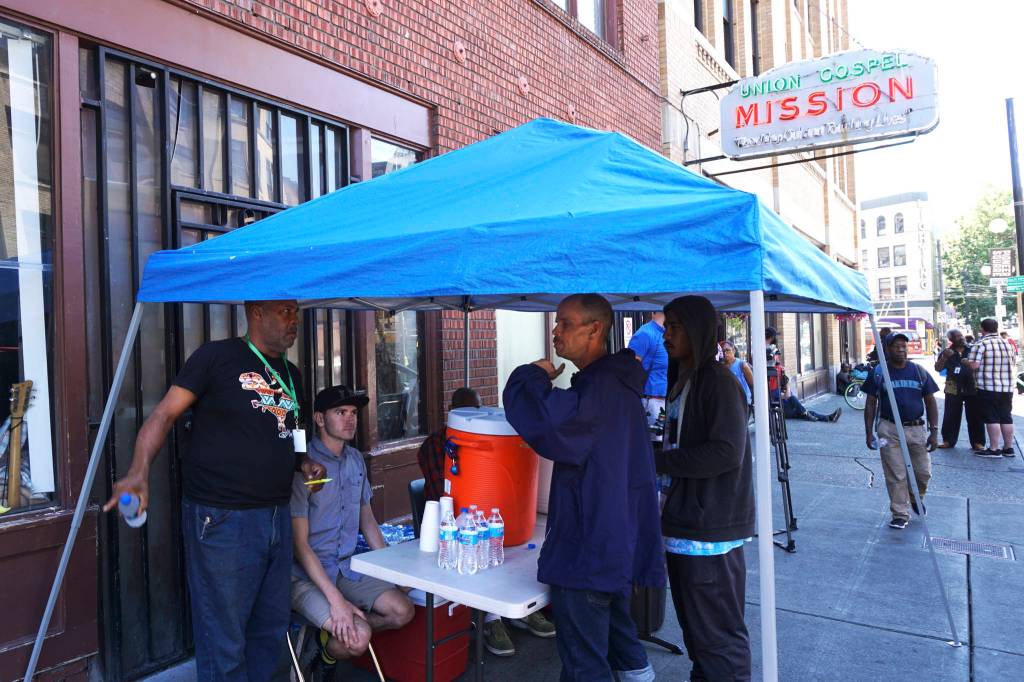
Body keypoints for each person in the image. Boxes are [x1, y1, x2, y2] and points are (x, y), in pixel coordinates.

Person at [103, 300, 326, 681]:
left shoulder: (292, 373)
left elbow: (292, 435)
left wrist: (303, 463)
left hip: (276, 515)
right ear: (256, 312)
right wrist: (139, 469)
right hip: (223, 520)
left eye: (297, 312)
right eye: (285, 311)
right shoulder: (217, 357)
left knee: (269, 630)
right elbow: (163, 414)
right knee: (224, 639)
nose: (295, 321)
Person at [503, 293, 664, 682]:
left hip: (588, 550)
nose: (556, 333)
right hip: (614, 542)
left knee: (585, 666)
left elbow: (547, 420)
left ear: (595, 329)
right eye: (556, 323)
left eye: (564, 324)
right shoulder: (615, 383)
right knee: (623, 647)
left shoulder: (600, 389)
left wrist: (532, 374)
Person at [415, 387, 556, 656]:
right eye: (472, 410)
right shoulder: (437, 444)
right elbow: (446, 493)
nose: (477, 415)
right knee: (481, 557)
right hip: (453, 524)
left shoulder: (494, 440)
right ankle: (490, 622)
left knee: (513, 555)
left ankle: (519, 612)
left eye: (480, 409)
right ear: (454, 413)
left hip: (492, 518)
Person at [657, 296, 754, 681]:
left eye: (676, 327)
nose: (667, 335)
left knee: (719, 639)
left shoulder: (719, 382)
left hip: (709, 531)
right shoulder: (684, 378)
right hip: (682, 525)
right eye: (666, 326)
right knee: (699, 637)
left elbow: (727, 452)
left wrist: (661, 461)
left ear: (698, 330)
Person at [291, 385, 414, 680]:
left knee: (402, 609)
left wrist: (393, 569)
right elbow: (299, 546)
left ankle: (326, 649)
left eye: (353, 413)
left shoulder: (356, 459)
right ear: (320, 419)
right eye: (340, 412)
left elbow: (367, 520)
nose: (350, 420)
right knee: (359, 637)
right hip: (303, 575)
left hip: (345, 568)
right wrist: (337, 602)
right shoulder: (304, 466)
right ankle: (341, 637)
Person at [862, 333, 940, 530]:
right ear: (887, 350)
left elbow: (930, 401)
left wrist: (934, 431)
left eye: (904, 346)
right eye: (896, 346)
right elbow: (870, 403)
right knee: (896, 473)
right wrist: (869, 432)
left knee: (923, 473)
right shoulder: (879, 372)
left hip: (916, 429)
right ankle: (899, 513)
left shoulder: (919, 371)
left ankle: (915, 497)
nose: (901, 350)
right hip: (888, 430)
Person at [417, 387, 481, 502]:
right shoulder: (435, 444)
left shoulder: (479, 442)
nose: (472, 416)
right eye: (465, 410)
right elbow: (443, 494)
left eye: (477, 410)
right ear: (451, 410)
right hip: (445, 514)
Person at [969, 319, 1017, 458]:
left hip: (988, 387)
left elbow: (974, 365)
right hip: (1007, 387)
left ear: (982, 329)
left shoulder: (981, 344)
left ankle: (994, 449)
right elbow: (1013, 363)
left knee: (992, 418)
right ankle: (1008, 448)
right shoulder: (1008, 344)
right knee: (1006, 417)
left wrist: (966, 361)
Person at [934, 330, 984, 450]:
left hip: (972, 386)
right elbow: (937, 368)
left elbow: (981, 365)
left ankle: (978, 442)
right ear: (951, 339)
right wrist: (944, 358)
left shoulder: (972, 349)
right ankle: (948, 440)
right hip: (953, 387)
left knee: (975, 415)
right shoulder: (946, 352)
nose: (960, 338)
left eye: (961, 335)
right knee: (951, 414)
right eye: (956, 336)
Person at [628, 312, 669, 427]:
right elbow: (631, 368)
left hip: (667, 400)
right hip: (652, 401)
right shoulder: (645, 334)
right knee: (655, 443)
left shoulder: (667, 333)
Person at [720, 340, 753, 408]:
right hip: (727, 402)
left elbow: (752, 383)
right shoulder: (721, 367)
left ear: (733, 350)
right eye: (723, 351)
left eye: (727, 350)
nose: (725, 353)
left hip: (742, 402)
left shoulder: (742, 365)